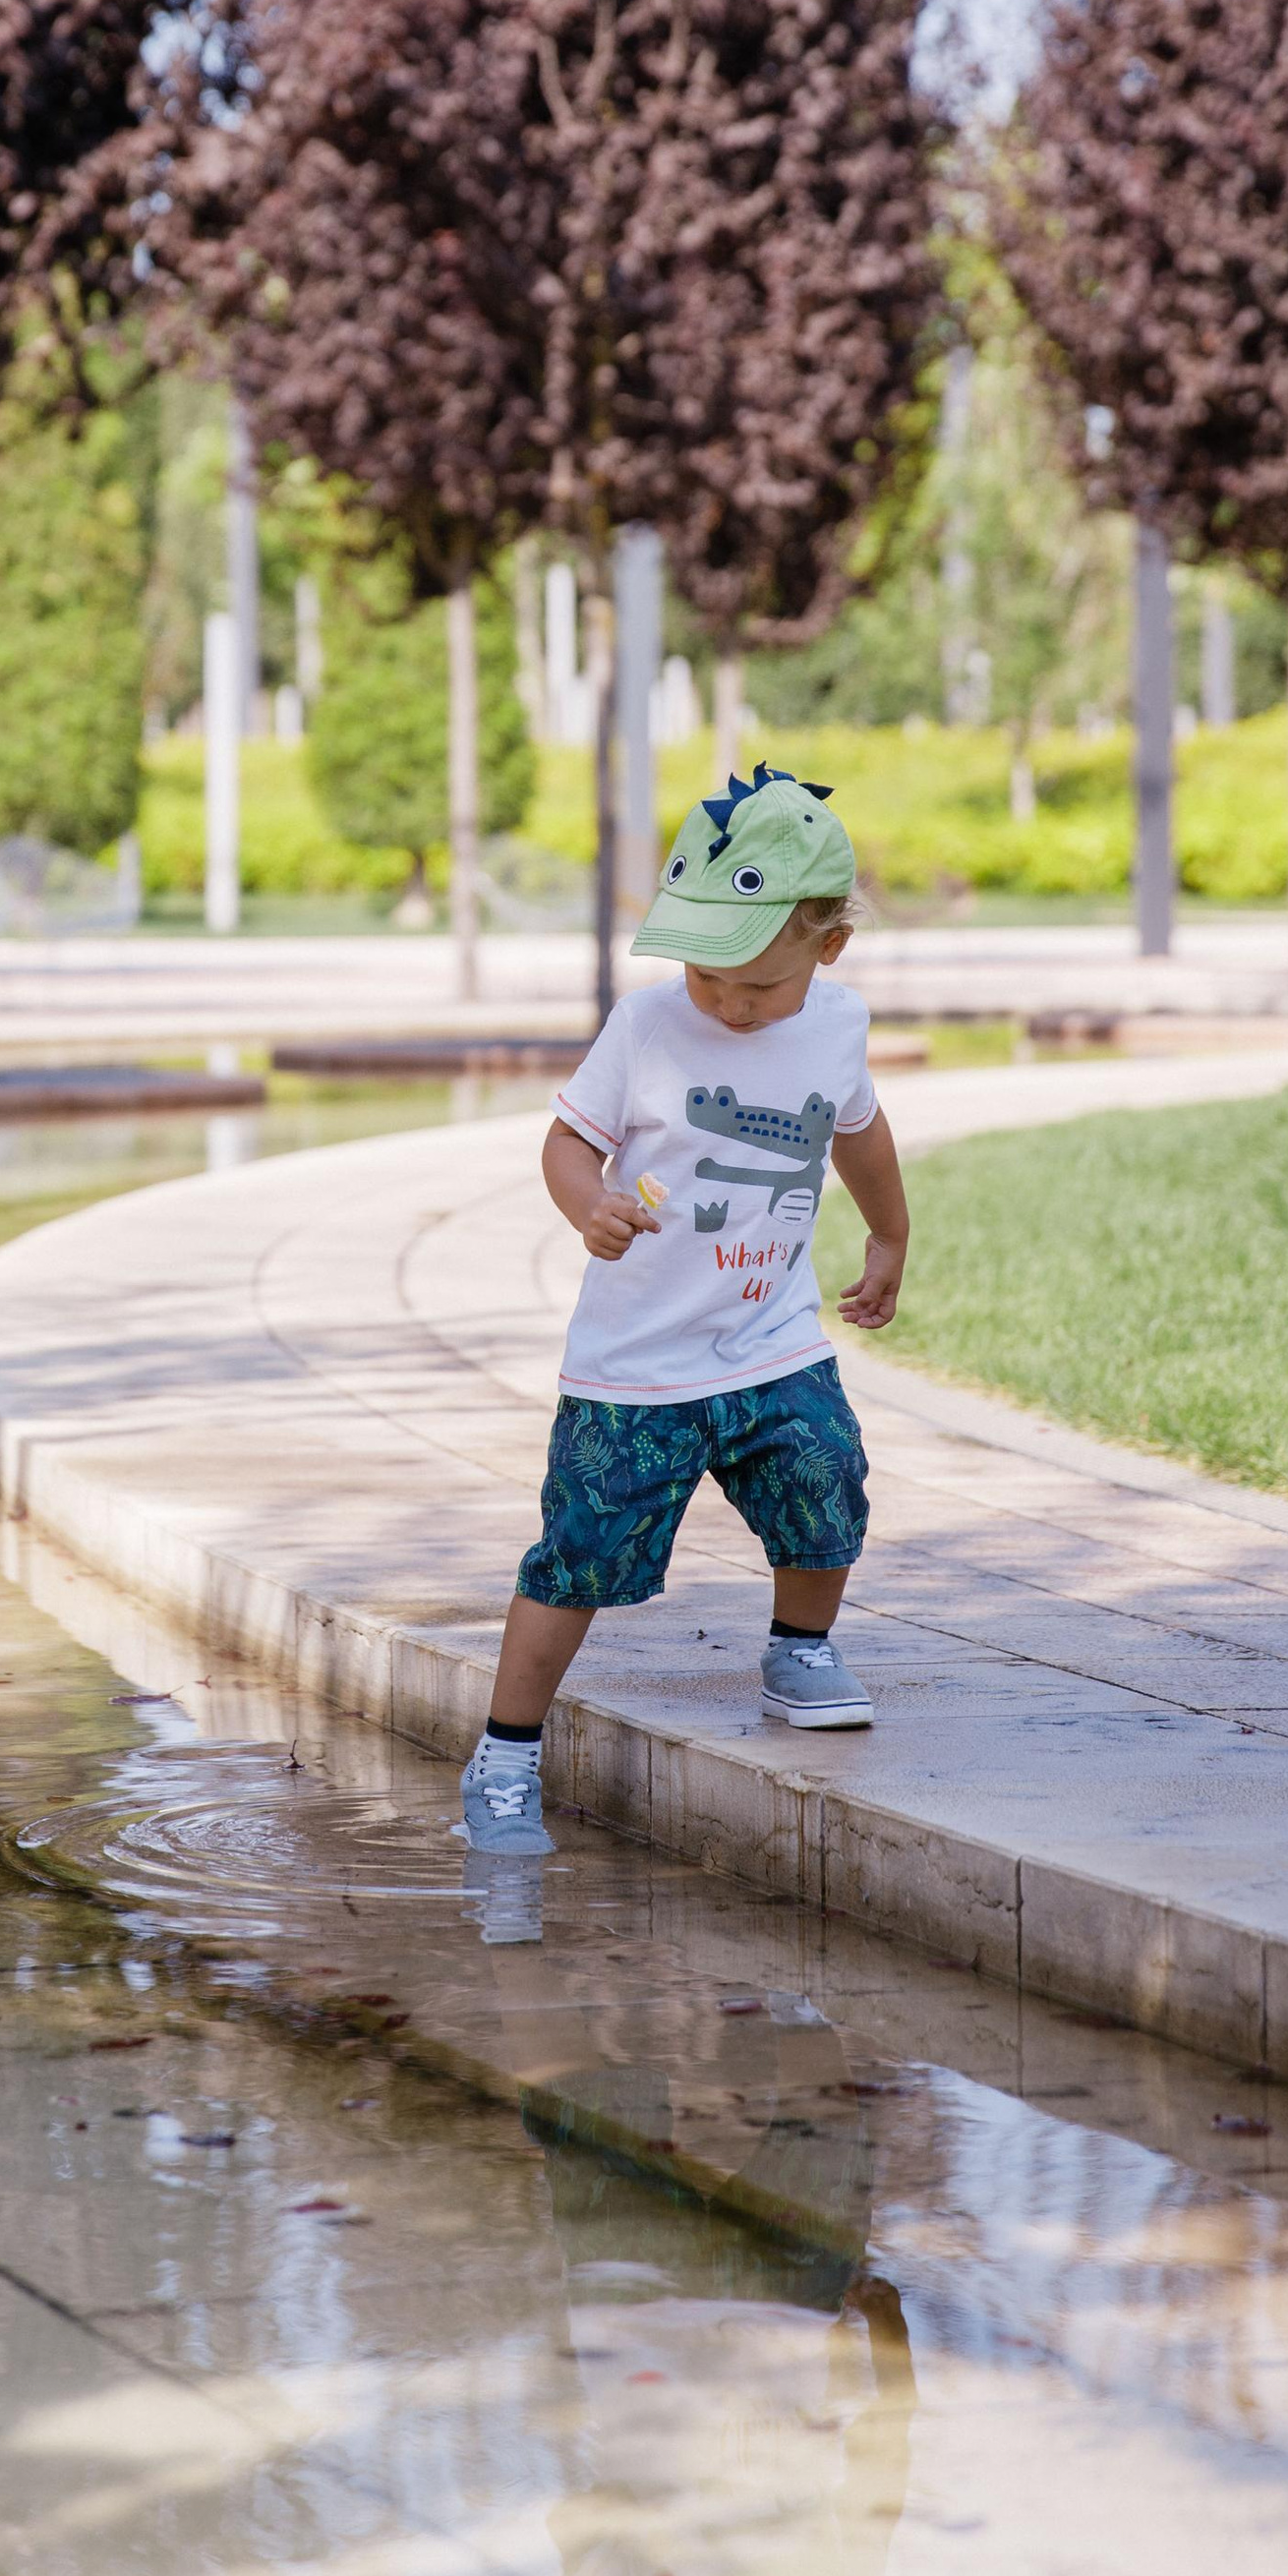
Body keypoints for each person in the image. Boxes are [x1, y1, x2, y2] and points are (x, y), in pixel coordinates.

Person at [456, 764, 910, 1857]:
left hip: (770, 1343)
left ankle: (799, 1650)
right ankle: (506, 1754)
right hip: (636, 1365)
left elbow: (859, 1131)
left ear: (826, 948)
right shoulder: (649, 1025)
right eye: (707, 979)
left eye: (753, 987)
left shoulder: (835, 1024)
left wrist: (889, 1234)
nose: (726, 1004)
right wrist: (588, 1207)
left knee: (825, 1480)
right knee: (579, 1550)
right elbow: (567, 1141)